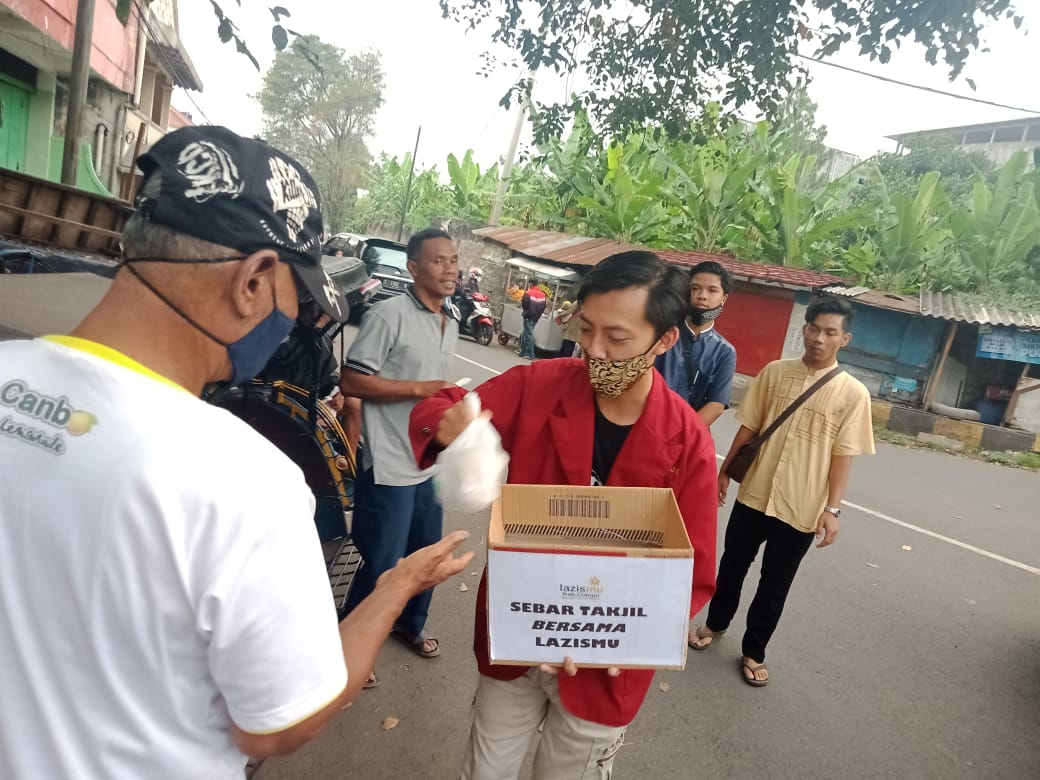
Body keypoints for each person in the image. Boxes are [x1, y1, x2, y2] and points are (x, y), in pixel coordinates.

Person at [0, 126, 473, 779]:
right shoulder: (244, 478)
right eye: (294, 302)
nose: (292, 326)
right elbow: (280, 726)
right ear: (253, 280)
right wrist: (398, 585)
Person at [411, 251, 719, 780]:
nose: (595, 351)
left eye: (618, 339)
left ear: (664, 339)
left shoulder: (687, 443)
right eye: (587, 329)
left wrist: (614, 637)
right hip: (518, 631)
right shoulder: (540, 385)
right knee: (485, 769)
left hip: (605, 666)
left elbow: (690, 573)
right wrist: (448, 424)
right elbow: (442, 405)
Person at [691, 297, 875, 687]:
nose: (820, 339)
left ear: (845, 338)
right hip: (755, 492)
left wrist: (833, 510)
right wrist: (725, 472)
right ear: (804, 330)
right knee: (732, 566)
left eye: (830, 332)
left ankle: (754, 650)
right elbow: (750, 427)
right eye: (814, 329)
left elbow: (843, 455)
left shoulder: (853, 393)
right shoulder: (775, 373)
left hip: (801, 505)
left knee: (776, 582)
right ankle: (715, 623)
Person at [339, 227, 461, 686]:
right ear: (413, 268)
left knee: (426, 553)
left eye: (453, 260)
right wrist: (418, 388)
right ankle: (353, 642)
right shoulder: (389, 315)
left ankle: (409, 625)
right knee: (383, 560)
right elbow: (352, 380)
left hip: (429, 462)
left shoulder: (449, 317)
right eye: (438, 261)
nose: (450, 269)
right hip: (389, 461)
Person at [656, 260, 737, 428]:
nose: (702, 295)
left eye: (712, 290)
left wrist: (681, 435)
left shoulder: (725, 352)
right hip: (646, 423)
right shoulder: (662, 332)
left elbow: (716, 404)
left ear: (724, 299)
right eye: (695, 288)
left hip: (685, 435)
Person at [518, 280, 546, 360]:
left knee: (529, 334)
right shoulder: (543, 295)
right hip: (536, 317)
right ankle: (522, 352)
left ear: (530, 283)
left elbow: (524, 304)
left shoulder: (528, 293)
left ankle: (531, 354)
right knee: (526, 333)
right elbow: (543, 306)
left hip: (528, 316)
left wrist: (527, 311)